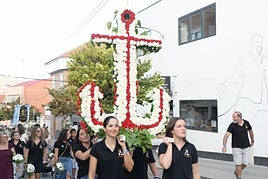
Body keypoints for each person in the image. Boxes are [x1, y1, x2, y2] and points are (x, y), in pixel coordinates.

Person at [222, 111, 254, 179]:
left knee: (246, 163)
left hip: (246, 146)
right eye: (232, 117)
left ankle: (237, 172)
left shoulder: (246, 123)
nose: (233, 118)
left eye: (234, 117)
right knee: (238, 163)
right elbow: (226, 135)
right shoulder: (232, 125)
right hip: (236, 147)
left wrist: (252, 140)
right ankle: (239, 177)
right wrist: (224, 146)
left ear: (239, 117)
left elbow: (251, 131)